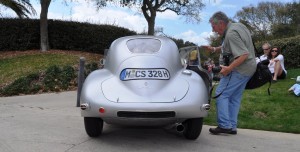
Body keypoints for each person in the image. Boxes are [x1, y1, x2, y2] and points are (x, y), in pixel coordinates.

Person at [203, 11, 256, 135]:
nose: (213, 30)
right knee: (234, 98)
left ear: (221, 23)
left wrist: (229, 68)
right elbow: (234, 44)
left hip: (239, 69)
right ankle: (231, 126)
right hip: (249, 68)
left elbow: (243, 54)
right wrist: (215, 49)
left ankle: (224, 125)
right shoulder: (238, 26)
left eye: (213, 27)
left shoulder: (231, 33)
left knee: (221, 95)